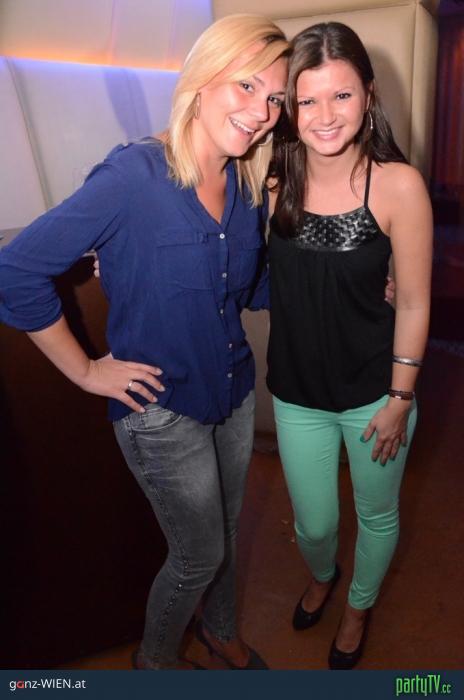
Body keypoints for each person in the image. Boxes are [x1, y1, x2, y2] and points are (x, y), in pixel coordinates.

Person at [0, 14, 290, 670]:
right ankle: (154, 666)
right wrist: (85, 370)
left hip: (233, 391)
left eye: (274, 98)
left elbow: (250, 288)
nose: (261, 113)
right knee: (198, 554)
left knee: (226, 535)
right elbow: (16, 270)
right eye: (246, 86)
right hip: (161, 410)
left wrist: (344, 285)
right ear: (201, 80)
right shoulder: (133, 177)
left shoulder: (247, 183)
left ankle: (220, 633)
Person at [266, 22, 432, 670]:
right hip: (297, 394)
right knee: (314, 525)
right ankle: (323, 574)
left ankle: (358, 607)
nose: (325, 116)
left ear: (368, 94)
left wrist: (400, 398)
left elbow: (413, 301)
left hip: (375, 395)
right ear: (290, 107)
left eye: (341, 95)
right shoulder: (274, 180)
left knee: (377, 515)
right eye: (307, 100)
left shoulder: (399, 185)